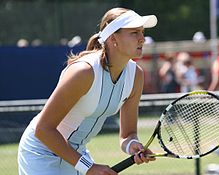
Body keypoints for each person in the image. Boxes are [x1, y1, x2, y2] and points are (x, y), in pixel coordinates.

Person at [18, 7, 157, 175]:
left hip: (77, 154)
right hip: (40, 152)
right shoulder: (83, 72)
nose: (142, 39)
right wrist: (88, 167)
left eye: (142, 32)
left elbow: (127, 134)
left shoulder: (136, 76)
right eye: (135, 33)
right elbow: (44, 129)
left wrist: (132, 145)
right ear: (113, 39)